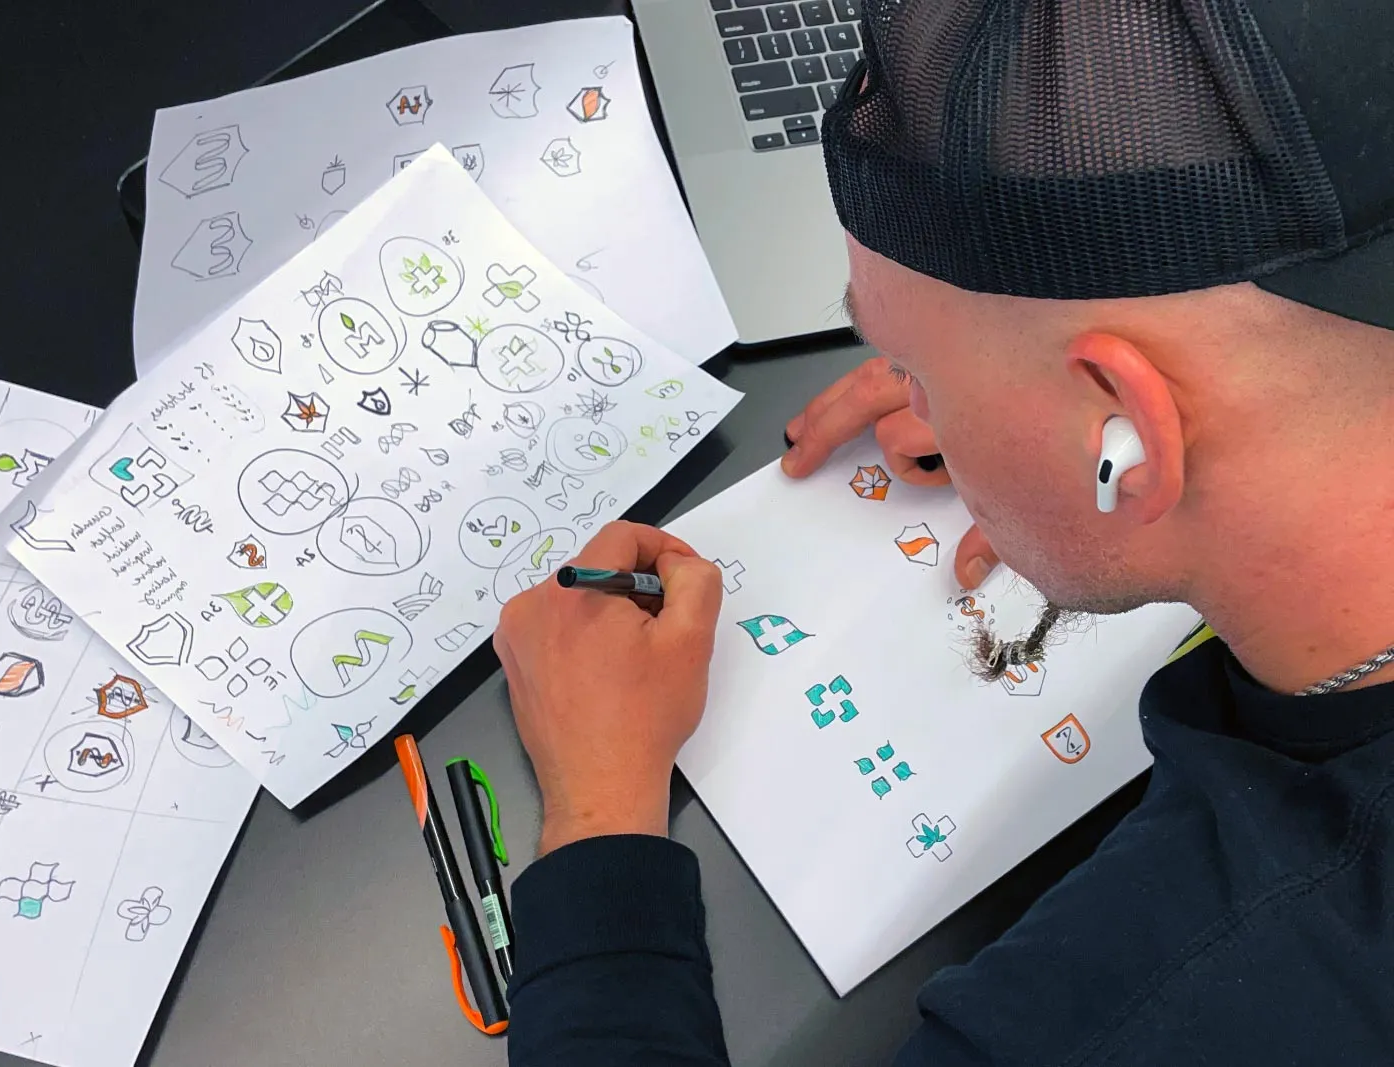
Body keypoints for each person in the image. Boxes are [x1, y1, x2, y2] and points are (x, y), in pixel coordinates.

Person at [493, 1, 1394, 1063]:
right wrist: (1028, 427)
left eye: (914, 368)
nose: (906, 401)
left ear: (1128, 439)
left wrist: (598, 817)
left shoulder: (1152, 1001)